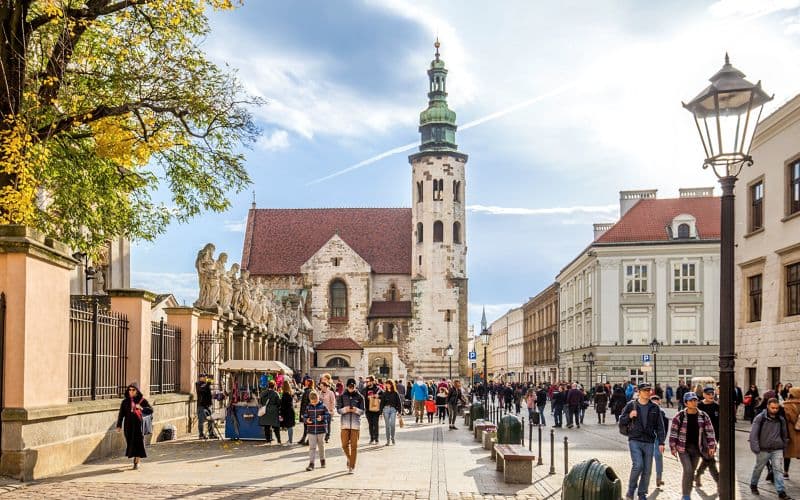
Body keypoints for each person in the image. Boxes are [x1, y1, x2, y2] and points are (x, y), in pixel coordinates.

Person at [619, 383, 666, 500]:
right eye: (645, 390)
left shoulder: (654, 408)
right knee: (638, 465)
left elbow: (660, 426)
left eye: (649, 390)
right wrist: (629, 415)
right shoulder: (631, 405)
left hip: (649, 441)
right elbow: (621, 421)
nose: (647, 392)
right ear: (639, 392)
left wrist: (661, 442)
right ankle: (631, 489)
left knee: (647, 469)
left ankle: (642, 493)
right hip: (635, 439)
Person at [669, 392, 717, 500]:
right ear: (686, 403)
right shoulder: (679, 416)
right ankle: (686, 496)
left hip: (697, 449)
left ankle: (687, 493)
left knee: (691, 472)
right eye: (691, 400)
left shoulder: (703, 416)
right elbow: (673, 432)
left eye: (695, 400)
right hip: (683, 448)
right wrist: (673, 447)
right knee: (688, 470)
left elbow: (710, 431)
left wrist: (711, 446)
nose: (694, 402)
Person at [749, 398, 791, 498]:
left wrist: (784, 446)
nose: (775, 410)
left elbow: (784, 435)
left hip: (777, 449)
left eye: (777, 408)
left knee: (778, 469)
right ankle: (753, 484)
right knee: (758, 468)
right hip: (763, 449)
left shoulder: (781, 419)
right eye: (772, 408)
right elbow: (753, 435)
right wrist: (756, 449)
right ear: (768, 406)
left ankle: (781, 492)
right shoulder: (760, 418)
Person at [115, 382, 152, 470]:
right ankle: (135, 457)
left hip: (139, 425)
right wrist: (119, 425)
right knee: (130, 442)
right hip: (128, 425)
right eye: (129, 390)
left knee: (138, 442)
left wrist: (142, 408)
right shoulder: (124, 402)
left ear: (137, 391)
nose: (131, 391)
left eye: (133, 390)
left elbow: (151, 410)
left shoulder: (142, 400)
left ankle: (137, 461)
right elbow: (121, 414)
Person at [695, 386, 720, 487]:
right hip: (702, 437)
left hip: (714, 437)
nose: (711, 396)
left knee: (707, 458)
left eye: (712, 394)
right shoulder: (699, 406)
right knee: (710, 458)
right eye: (708, 394)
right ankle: (719, 481)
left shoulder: (717, 406)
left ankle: (697, 475)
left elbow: (719, 423)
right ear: (704, 395)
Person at [337, 378, 364, 473]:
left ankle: (351, 466)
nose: (351, 388)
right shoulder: (341, 396)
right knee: (344, 445)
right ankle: (349, 458)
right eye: (350, 387)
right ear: (347, 386)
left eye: (353, 387)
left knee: (354, 446)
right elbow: (339, 410)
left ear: (355, 386)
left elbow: (362, 411)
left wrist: (355, 410)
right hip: (344, 424)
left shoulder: (360, 397)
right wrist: (346, 409)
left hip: (355, 425)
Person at [302, 391, 329, 471]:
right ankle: (311, 463)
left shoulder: (323, 406)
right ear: (310, 400)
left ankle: (322, 460)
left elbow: (328, 415)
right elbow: (304, 417)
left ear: (318, 398)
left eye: (315, 401)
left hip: (321, 429)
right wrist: (307, 420)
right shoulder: (308, 407)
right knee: (312, 447)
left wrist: (322, 417)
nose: (314, 403)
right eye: (312, 402)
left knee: (321, 446)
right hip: (311, 430)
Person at [650, 394, 669, 488]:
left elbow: (665, 427)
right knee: (657, 458)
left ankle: (658, 478)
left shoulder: (661, 412)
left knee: (657, 457)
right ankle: (658, 478)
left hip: (655, 438)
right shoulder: (661, 411)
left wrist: (662, 441)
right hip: (652, 438)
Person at [380, 379, 402, 446]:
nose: (387, 385)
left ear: (391, 385)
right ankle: (388, 440)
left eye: (388, 384)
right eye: (386, 384)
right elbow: (382, 403)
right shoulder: (384, 393)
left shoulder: (395, 393)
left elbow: (399, 403)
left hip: (393, 410)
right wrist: (380, 412)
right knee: (387, 426)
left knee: (392, 425)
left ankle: (393, 438)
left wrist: (399, 412)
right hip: (385, 410)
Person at [361, 375, 383, 444]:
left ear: (372, 381)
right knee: (370, 424)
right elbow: (360, 398)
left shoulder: (378, 389)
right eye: (366, 381)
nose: (367, 383)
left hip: (376, 409)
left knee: (375, 424)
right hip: (368, 409)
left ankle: (376, 438)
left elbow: (384, 396)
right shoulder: (364, 389)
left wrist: (378, 396)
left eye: (368, 381)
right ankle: (371, 438)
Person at [195, 373, 216, 439]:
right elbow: (202, 389)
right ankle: (201, 434)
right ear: (200, 378)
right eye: (203, 377)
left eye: (205, 377)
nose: (205, 378)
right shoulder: (198, 384)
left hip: (207, 405)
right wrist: (208, 383)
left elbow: (208, 393)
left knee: (211, 419)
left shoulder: (206, 384)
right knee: (201, 420)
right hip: (201, 406)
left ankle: (211, 433)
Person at [297, 379, 314, 446]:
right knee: (306, 426)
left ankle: (308, 440)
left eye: (306, 381)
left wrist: (303, 413)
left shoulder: (308, 391)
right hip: (308, 411)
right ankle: (304, 439)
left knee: (308, 426)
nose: (305, 382)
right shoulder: (308, 390)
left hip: (307, 411)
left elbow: (305, 403)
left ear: (309, 383)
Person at [279, 380, 295, 445]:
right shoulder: (290, 393)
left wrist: (281, 413)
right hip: (290, 411)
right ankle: (290, 440)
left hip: (287, 412)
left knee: (289, 427)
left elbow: (283, 405)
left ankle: (290, 441)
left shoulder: (285, 394)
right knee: (290, 426)